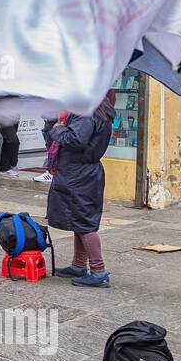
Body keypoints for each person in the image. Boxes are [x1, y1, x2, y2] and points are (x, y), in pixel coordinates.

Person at [48, 97, 117, 288]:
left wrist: (57, 128)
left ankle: (98, 271)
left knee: (85, 221)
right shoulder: (96, 108)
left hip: (78, 173)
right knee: (79, 218)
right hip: (82, 171)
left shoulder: (86, 111)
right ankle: (79, 265)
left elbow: (76, 139)